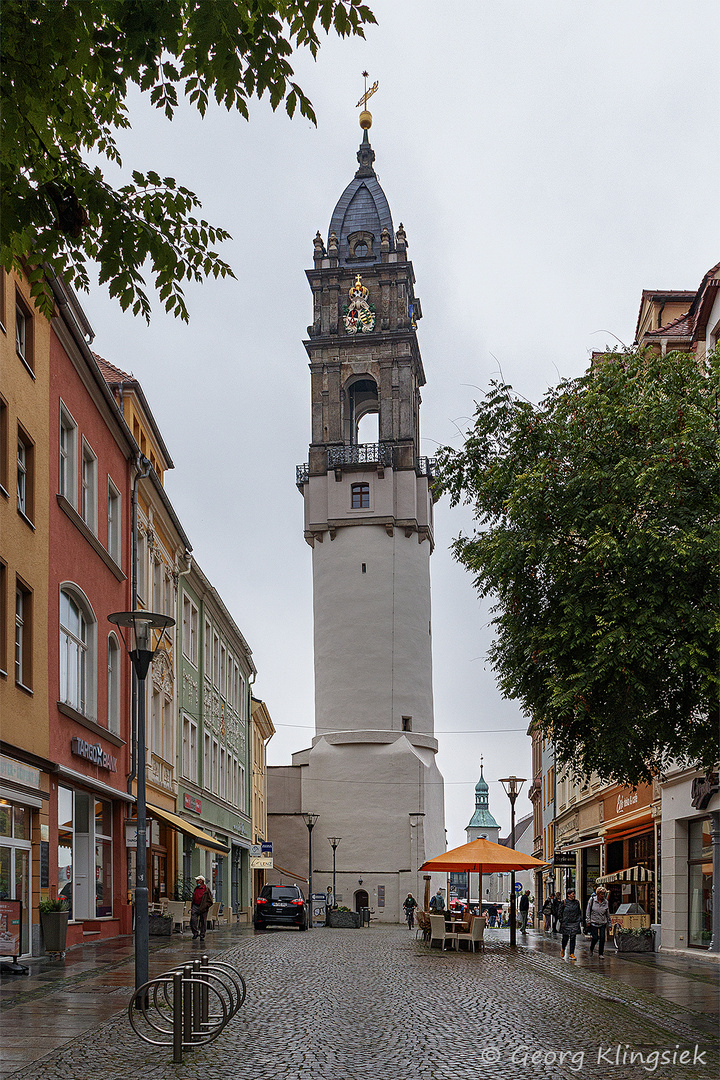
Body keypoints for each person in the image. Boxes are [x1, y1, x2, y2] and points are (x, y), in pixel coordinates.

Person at [586, 885, 612, 957]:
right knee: (595, 938)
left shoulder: (605, 902)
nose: (603, 895)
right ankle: (591, 949)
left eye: (604, 894)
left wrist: (610, 924)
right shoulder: (592, 900)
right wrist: (588, 920)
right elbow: (588, 911)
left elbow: (607, 913)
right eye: (601, 894)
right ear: (598, 894)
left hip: (602, 922)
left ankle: (601, 953)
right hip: (593, 921)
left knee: (602, 938)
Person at [558, 889, 582, 960]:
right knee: (565, 938)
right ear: (568, 895)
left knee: (573, 938)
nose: (574, 895)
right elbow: (560, 912)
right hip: (566, 922)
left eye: (574, 894)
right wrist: (561, 920)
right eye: (572, 894)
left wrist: (579, 920)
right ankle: (563, 948)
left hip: (574, 922)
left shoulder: (577, 902)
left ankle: (572, 953)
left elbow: (579, 912)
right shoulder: (564, 902)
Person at [190, 874, 213, 941]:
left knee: (203, 921)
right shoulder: (196, 889)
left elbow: (210, 901)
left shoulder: (206, 890)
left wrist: (206, 906)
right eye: (196, 881)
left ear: (202, 881)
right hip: (195, 906)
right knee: (193, 920)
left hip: (203, 907)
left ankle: (202, 935)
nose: (197, 882)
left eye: (198, 880)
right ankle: (195, 933)